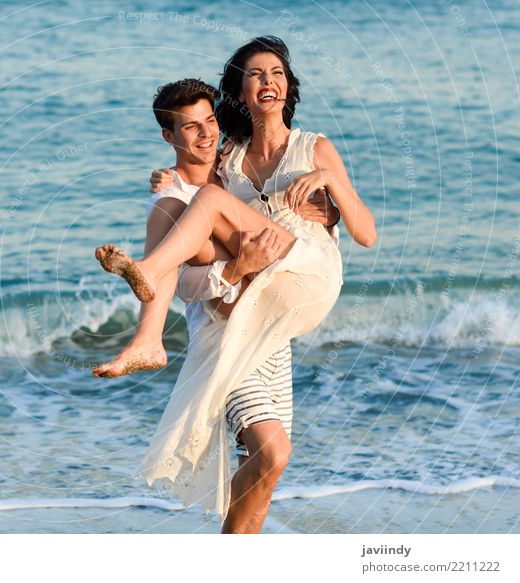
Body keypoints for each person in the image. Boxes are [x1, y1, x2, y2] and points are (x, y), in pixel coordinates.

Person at [96, 36, 376, 531]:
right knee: (268, 467)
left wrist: (328, 185)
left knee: (204, 202)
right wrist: (176, 192)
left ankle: (148, 290)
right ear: (240, 93)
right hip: (258, 315)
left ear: (288, 87)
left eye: (277, 73)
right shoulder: (229, 161)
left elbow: (367, 233)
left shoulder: (315, 147)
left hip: (307, 272)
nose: (268, 82)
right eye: (256, 75)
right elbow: (202, 232)